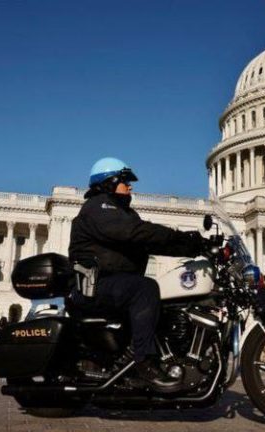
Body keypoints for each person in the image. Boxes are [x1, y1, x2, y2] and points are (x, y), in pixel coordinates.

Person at [68, 157, 207, 392]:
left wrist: (194, 248)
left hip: (111, 285)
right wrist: (184, 237)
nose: (130, 186)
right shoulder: (99, 207)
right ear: (108, 182)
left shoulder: (122, 213)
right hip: (94, 287)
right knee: (145, 288)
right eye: (125, 181)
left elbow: (150, 242)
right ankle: (144, 363)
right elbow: (137, 233)